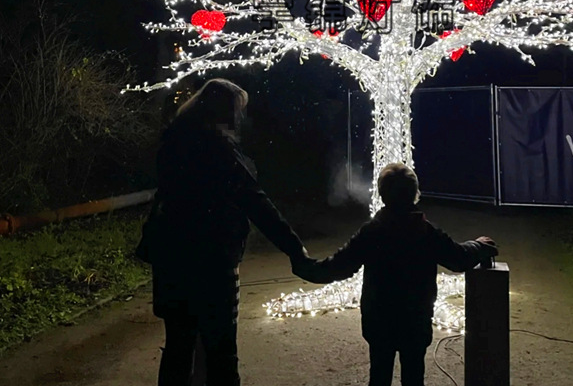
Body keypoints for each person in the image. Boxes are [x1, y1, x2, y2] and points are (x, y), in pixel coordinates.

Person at [147, 78, 308, 386]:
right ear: (224, 113)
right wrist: (294, 248)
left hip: (171, 260)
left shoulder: (172, 144)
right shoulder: (220, 153)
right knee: (220, 349)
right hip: (212, 261)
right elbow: (255, 202)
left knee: (178, 348)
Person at [292, 162, 498, 386]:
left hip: (379, 320)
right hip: (415, 319)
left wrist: (303, 265)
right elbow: (458, 258)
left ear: (381, 194)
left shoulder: (372, 232)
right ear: (415, 193)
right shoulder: (426, 232)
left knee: (379, 375)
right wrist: (479, 246)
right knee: (413, 376)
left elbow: (338, 267)